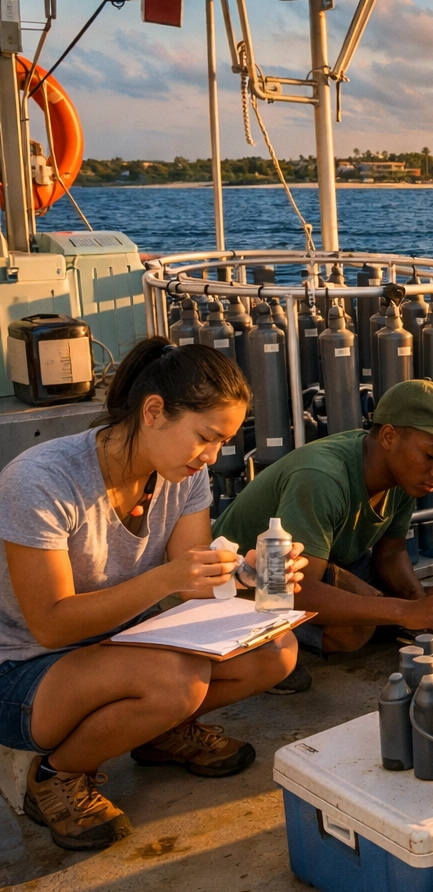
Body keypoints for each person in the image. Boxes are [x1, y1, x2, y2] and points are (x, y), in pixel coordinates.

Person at [0, 339, 302, 851]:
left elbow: (195, 588)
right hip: (25, 670)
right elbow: (50, 624)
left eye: (222, 443)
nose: (211, 456)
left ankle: (156, 733)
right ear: (154, 411)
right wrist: (168, 579)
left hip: (112, 650)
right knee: (174, 681)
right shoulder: (41, 482)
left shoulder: (183, 476)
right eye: (206, 437)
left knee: (276, 654)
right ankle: (55, 777)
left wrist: (248, 576)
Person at [213, 379, 433, 689]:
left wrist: (418, 601)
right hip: (248, 583)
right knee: (354, 628)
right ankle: (264, 646)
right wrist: (404, 610)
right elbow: (294, 589)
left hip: (324, 561)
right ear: (389, 436)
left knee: (416, 598)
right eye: (432, 455)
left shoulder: (405, 475)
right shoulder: (321, 477)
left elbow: (390, 554)